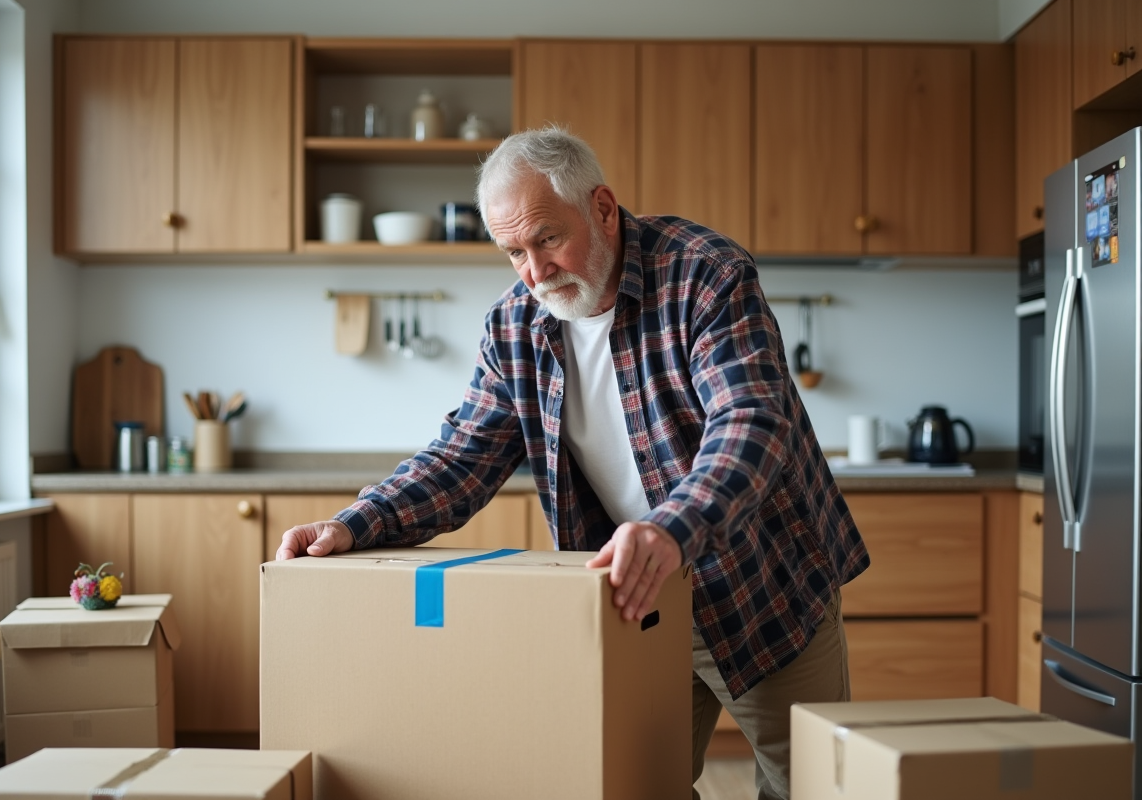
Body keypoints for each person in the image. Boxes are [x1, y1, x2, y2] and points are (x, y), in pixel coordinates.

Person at [278, 126, 870, 800]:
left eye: (548, 239)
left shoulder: (706, 274)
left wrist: (670, 529)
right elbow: (462, 458)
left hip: (762, 585)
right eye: (513, 252)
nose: (535, 271)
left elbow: (752, 425)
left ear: (604, 209)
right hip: (633, 600)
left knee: (815, 788)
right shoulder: (515, 329)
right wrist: (357, 522)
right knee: (628, 785)